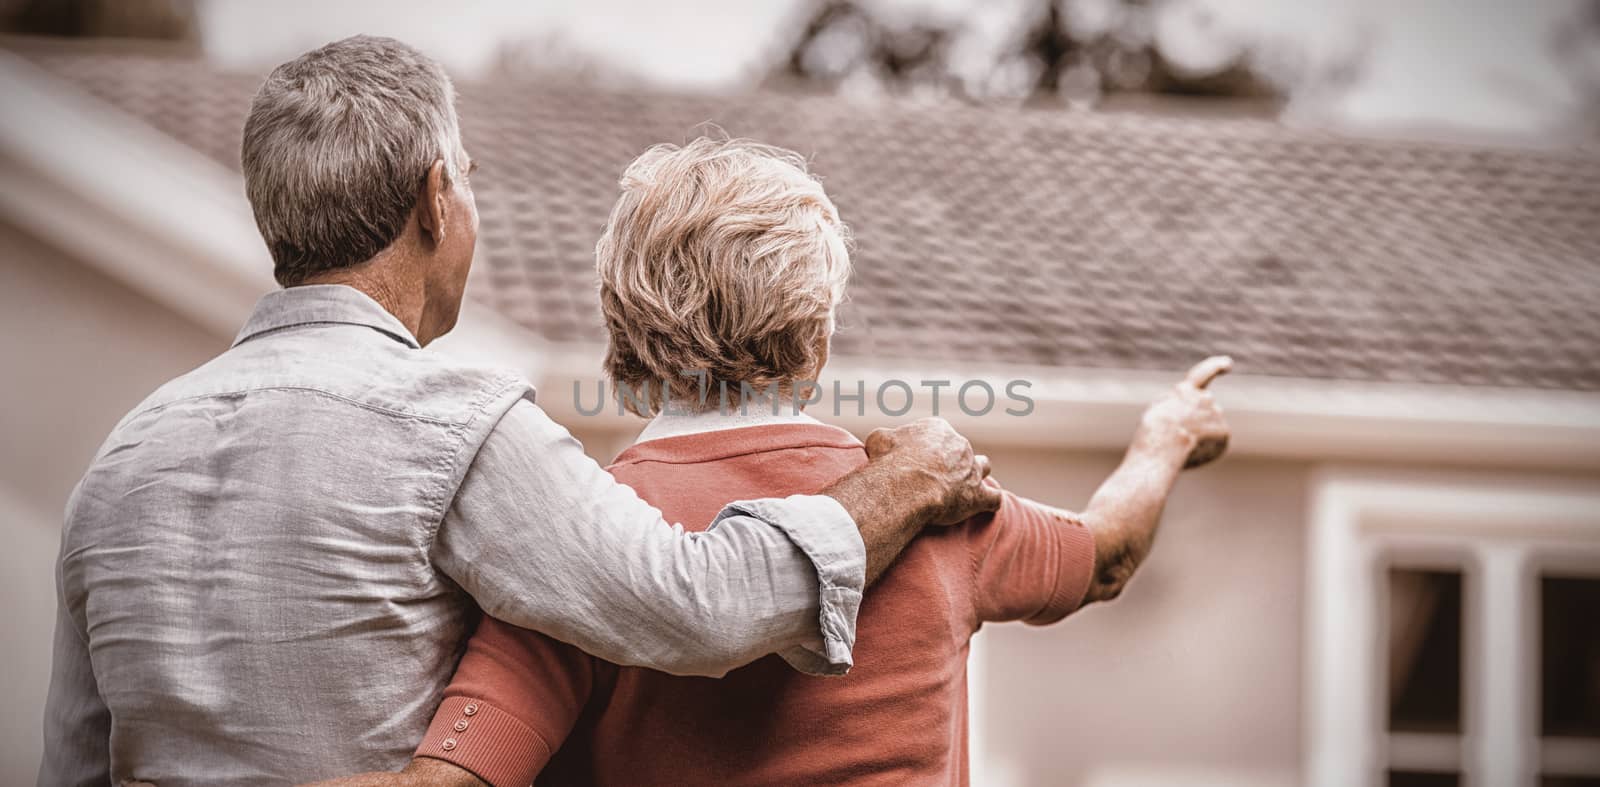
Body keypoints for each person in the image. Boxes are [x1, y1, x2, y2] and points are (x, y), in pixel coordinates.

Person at [38, 38, 1001, 787]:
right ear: (435, 198)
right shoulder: (452, 426)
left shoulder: (122, 460)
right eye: (469, 176)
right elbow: (705, 606)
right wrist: (903, 482)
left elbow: (76, 767)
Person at [324, 138, 1232, 786]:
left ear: (622, 319)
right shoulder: (937, 502)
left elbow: (466, 772)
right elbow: (1107, 551)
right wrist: (1168, 434)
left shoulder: (578, 544)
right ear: (816, 323)